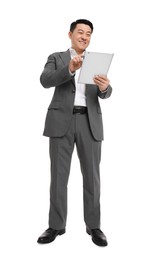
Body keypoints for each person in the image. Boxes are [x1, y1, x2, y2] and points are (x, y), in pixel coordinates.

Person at [37, 19, 112, 247]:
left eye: (88, 33)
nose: (84, 36)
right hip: (61, 121)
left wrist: (104, 87)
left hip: (89, 122)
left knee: (92, 177)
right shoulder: (57, 57)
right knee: (58, 177)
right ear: (70, 34)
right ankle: (56, 225)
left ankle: (94, 226)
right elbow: (45, 80)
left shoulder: (97, 61)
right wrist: (70, 69)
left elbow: (106, 93)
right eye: (80, 32)